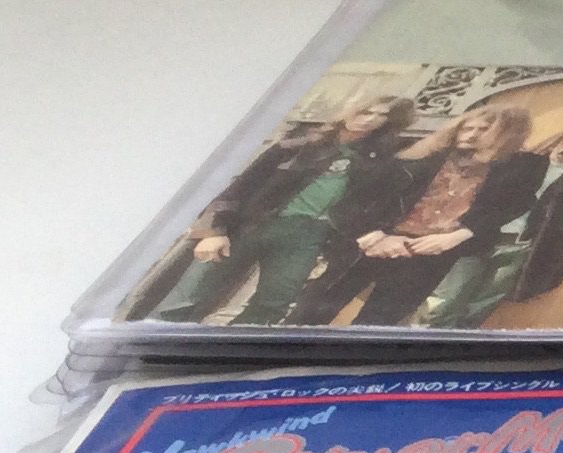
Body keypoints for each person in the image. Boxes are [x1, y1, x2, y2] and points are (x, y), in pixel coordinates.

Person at [148, 97, 417, 325]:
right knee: (188, 295)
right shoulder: (295, 145)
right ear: (351, 109)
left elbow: (378, 197)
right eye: (366, 111)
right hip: (253, 224)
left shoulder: (375, 163)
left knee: (273, 304)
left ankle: (228, 351)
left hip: (308, 235)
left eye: (380, 117)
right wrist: (216, 230)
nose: (369, 120)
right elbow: (240, 188)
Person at [298, 103, 539, 326]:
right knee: (314, 310)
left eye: (484, 129)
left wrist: (458, 235)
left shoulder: (515, 169)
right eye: (467, 127)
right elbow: (350, 202)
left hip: (428, 254)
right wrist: (372, 235)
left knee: (378, 323)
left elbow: (514, 205)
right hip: (373, 244)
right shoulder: (418, 157)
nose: (471, 134)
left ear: (506, 134)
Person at [416, 116, 563, 328]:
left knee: (480, 306)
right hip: (480, 238)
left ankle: (455, 346)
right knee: (445, 299)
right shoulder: (525, 160)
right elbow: (481, 195)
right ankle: (421, 340)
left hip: (525, 247)